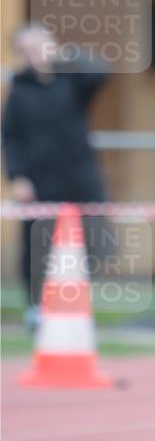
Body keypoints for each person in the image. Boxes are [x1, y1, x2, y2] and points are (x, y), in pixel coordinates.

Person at [2, 23, 109, 329]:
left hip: (79, 176)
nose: (36, 54)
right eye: (29, 50)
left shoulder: (73, 81)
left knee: (89, 243)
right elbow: (10, 137)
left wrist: (68, 55)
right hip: (39, 181)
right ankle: (36, 307)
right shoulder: (19, 90)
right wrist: (18, 176)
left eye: (41, 46)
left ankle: (74, 301)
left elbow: (101, 74)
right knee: (37, 246)